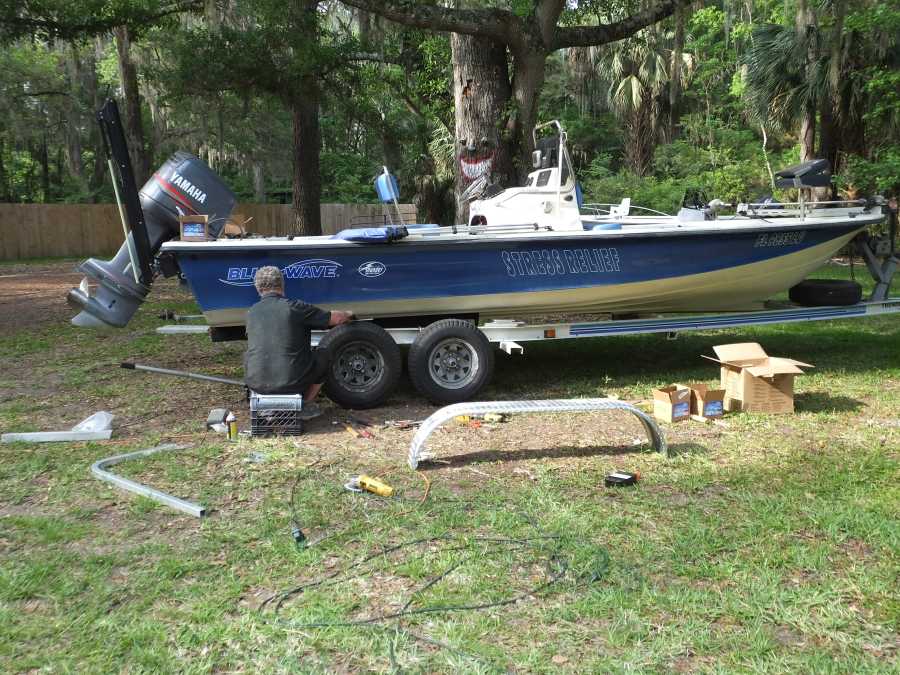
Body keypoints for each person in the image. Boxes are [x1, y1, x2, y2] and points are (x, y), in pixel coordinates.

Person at [243, 266, 353, 419]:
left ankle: (258, 402)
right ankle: (305, 404)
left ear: (258, 288)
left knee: (249, 354)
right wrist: (349, 313)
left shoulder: (251, 312)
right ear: (282, 285)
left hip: (257, 384)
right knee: (323, 354)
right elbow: (337, 319)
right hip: (292, 383)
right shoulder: (296, 308)